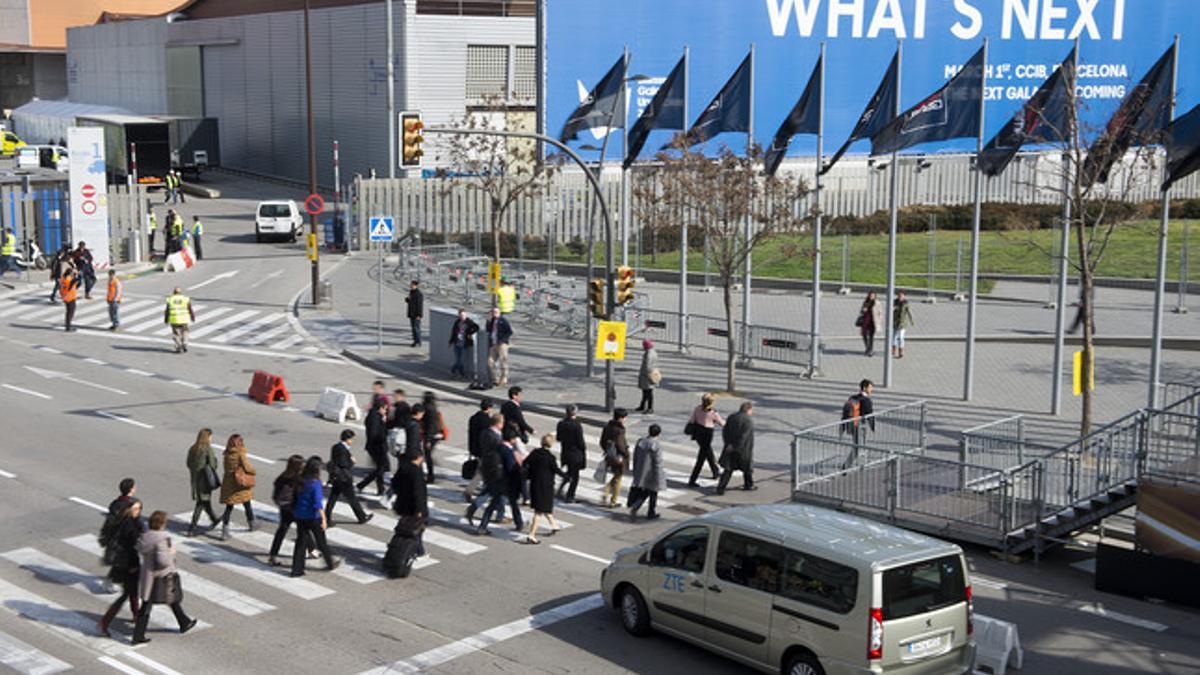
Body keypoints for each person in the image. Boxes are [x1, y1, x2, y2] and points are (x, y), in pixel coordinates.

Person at [132, 510, 198, 645]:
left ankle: (184, 622)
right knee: (168, 598)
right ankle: (138, 635)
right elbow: (163, 561)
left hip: (148, 575)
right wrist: (171, 553)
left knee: (150, 603)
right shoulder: (161, 539)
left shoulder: (145, 536)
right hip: (162, 575)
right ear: (161, 524)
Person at [97, 498, 143, 638]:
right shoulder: (129, 525)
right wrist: (134, 565)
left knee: (131, 592)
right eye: (136, 509)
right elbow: (132, 547)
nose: (139, 512)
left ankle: (136, 616)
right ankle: (105, 622)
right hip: (127, 564)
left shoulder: (120, 521)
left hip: (121, 563)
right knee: (127, 594)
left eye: (140, 509)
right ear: (129, 510)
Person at [291, 456, 341, 577]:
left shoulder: (299, 479)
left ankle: (297, 570)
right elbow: (318, 504)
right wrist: (324, 519)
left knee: (301, 543)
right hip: (313, 516)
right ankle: (330, 563)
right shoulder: (315, 484)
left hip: (299, 515)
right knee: (321, 542)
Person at [268, 455, 315, 567]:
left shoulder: (282, 477)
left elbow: (276, 493)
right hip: (295, 508)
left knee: (282, 531)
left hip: (284, 508)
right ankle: (312, 550)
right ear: (298, 466)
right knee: (304, 529)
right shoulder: (298, 479)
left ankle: (273, 555)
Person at [465, 413, 506, 534]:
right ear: (498, 423)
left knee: (490, 491)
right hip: (495, 468)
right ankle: (488, 519)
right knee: (495, 493)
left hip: (486, 465)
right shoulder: (496, 437)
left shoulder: (485, 433)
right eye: (502, 422)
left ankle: (497, 515)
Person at [326, 429, 372, 526]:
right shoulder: (343, 449)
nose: (352, 441)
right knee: (352, 498)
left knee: (333, 498)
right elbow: (344, 464)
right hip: (344, 478)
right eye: (351, 439)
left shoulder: (336, 446)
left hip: (336, 477)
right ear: (347, 439)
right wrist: (352, 462)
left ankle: (327, 517)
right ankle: (362, 517)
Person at [524, 434, 563, 544]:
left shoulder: (535, 453)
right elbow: (556, 470)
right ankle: (531, 535)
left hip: (534, 484)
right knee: (539, 511)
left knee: (544, 506)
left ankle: (554, 525)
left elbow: (525, 463)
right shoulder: (550, 457)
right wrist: (566, 476)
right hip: (545, 486)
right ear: (551, 443)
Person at [218, 434, 256, 540]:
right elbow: (247, 467)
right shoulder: (240, 454)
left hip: (229, 483)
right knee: (247, 502)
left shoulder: (227, 453)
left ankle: (224, 531)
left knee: (229, 507)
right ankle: (252, 524)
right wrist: (253, 471)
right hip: (239, 482)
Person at [391, 447, 428, 557]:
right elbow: (419, 493)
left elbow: (394, 483)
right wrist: (419, 509)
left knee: (406, 527)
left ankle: (417, 550)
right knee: (416, 529)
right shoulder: (417, 472)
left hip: (402, 504)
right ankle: (418, 551)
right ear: (419, 458)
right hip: (413, 507)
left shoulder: (403, 468)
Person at [185, 428, 220, 537]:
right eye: (210, 436)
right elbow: (213, 465)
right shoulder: (207, 449)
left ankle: (214, 519)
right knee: (201, 503)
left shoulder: (193, 448)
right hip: (205, 481)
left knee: (205, 501)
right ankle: (192, 527)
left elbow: (188, 464)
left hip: (195, 480)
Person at [717, 402, 757, 495]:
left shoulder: (732, 417)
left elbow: (725, 431)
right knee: (746, 468)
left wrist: (728, 444)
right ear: (748, 409)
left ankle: (721, 488)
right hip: (743, 449)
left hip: (729, 447)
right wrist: (735, 446)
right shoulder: (748, 421)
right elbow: (744, 437)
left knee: (728, 469)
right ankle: (748, 485)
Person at [686, 393, 725, 487]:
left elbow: (692, 420)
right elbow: (722, 423)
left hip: (698, 433)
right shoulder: (713, 413)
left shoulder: (697, 409)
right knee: (701, 458)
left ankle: (715, 472)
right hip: (707, 434)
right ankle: (692, 479)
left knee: (709, 453)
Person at [629, 424, 665, 521]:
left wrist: (635, 470)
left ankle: (636, 507)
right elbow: (658, 462)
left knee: (644, 492)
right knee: (653, 493)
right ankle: (650, 512)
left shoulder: (641, 442)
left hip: (641, 472)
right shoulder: (656, 445)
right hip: (651, 473)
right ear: (658, 434)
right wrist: (659, 478)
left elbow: (635, 457)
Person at [357, 399, 391, 495]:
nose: (386, 411)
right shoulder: (374, 418)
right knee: (381, 468)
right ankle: (363, 484)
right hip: (377, 447)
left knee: (380, 468)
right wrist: (384, 427)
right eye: (385, 409)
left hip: (375, 446)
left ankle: (380, 489)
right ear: (380, 408)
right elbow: (374, 434)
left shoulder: (375, 416)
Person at [840, 379, 875, 469]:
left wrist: (843, 427)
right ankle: (847, 465)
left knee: (859, 445)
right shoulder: (866, 400)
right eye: (870, 387)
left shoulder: (852, 397)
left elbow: (846, 411)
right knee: (859, 447)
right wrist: (873, 427)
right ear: (864, 388)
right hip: (860, 426)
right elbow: (870, 415)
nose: (872, 390)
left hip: (851, 425)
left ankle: (862, 464)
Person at [555, 405, 586, 503]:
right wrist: (583, 449)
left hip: (565, 451)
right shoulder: (577, 425)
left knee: (569, 472)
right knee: (575, 476)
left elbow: (558, 438)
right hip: (576, 453)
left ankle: (561, 488)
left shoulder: (561, 423)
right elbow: (580, 442)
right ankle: (570, 495)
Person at [600, 408, 630, 508]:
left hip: (610, 455)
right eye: (625, 417)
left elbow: (602, 441)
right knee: (618, 478)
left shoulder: (607, 426)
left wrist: (607, 451)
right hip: (618, 457)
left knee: (616, 476)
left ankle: (606, 493)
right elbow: (620, 445)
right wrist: (626, 454)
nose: (625, 419)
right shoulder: (619, 430)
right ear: (621, 418)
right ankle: (613, 500)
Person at [465, 399, 493, 499]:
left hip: (474, 447)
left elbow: (470, 433)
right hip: (483, 449)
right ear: (489, 408)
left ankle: (485, 488)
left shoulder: (473, 418)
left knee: (482, 470)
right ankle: (471, 489)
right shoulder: (487, 421)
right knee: (482, 471)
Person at [420, 392, 447, 484]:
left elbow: (430, 426)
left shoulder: (428, 409)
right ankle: (429, 473)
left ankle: (430, 476)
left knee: (427, 455)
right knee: (427, 455)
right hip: (435, 434)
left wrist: (427, 440)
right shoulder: (433, 407)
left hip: (431, 435)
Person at [485, 307, 513, 387]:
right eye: (494, 312)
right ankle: (495, 379)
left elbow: (509, 331)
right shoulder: (492, 320)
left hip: (501, 344)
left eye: (496, 312)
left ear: (499, 313)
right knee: (490, 362)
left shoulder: (503, 320)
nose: (495, 313)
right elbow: (488, 330)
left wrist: (503, 340)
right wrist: (488, 321)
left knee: (503, 362)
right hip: (493, 344)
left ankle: (504, 378)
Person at [448, 309, 479, 378]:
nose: (462, 317)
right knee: (457, 359)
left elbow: (476, 327)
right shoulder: (457, 322)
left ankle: (456, 371)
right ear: (459, 315)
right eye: (461, 315)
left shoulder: (469, 322)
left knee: (461, 360)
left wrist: (470, 333)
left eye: (464, 315)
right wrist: (450, 342)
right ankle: (460, 373)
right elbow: (453, 333)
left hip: (464, 343)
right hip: (457, 343)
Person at [164, 287, 195, 353]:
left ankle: (179, 347)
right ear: (180, 293)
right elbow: (190, 309)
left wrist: (166, 319)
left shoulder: (170, 299)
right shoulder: (185, 299)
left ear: (174, 292)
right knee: (185, 332)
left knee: (176, 334)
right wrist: (192, 317)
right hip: (184, 319)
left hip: (174, 319)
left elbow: (167, 311)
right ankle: (185, 343)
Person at [635, 339, 660, 414]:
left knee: (647, 392)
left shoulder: (648, 354)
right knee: (647, 392)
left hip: (647, 376)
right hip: (652, 373)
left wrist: (646, 374)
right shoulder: (654, 352)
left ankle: (649, 408)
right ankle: (643, 405)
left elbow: (647, 366)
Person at [858, 291, 882, 357]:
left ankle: (870, 350)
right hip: (865, 321)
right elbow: (861, 311)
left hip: (873, 322)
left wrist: (879, 321)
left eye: (872, 295)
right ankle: (867, 348)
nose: (871, 296)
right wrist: (863, 310)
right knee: (864, 335)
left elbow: (880, 313)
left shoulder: (877, 303)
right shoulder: (866, 302)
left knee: (871, 337)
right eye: (870, 295)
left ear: (875, 296)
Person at [892, 290, 914, 359]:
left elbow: (909, 312)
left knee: (901, 337)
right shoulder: (894, 302)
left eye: (901, 295)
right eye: (899, 295)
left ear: (904, 296)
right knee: (894, 337)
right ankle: (893, 349)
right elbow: (890, 310)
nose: (900, 297)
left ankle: (901, 351)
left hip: (902, 323)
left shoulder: (906, 303)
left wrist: (912, 321)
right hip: (895, 322)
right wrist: (893, 309)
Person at [60, 265, 79, 332]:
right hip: (70, 298)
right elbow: (75, 281)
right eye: (72, 273)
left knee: (68, 312)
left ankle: (68, 325)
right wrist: (76, 275)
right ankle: (68, 326)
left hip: (65, 297)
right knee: (70, 312)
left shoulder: (63, 278)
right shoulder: (69, 279)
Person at [405, 280, 424, 347]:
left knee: (416, 328)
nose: (411, 286)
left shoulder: (419, 294)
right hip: (411, 313)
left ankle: (418, 342)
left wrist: (419, 315)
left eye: (412, 285)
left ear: (416, 285)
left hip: (416, 314)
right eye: (411, 285)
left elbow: (420, 305)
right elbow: (409, 300)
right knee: (413, 328)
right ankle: (415, 341)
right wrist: (407, 299)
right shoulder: (411, 292)